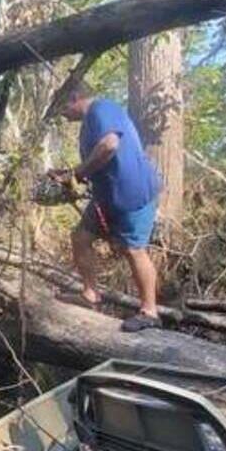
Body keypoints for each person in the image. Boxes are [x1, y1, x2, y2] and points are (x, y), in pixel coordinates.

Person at [48, 76, 165, 332]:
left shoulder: (101, 108)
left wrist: (77, 173)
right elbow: (97, 160)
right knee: (80, 237)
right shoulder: (90, 121)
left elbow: (110, 145)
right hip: (107, 197)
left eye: (63, 109)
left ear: (74, 97)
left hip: (133, 193)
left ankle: (150, 311)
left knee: (134, 250)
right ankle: (90, 294)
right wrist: (68, 174)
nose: (63, 116)